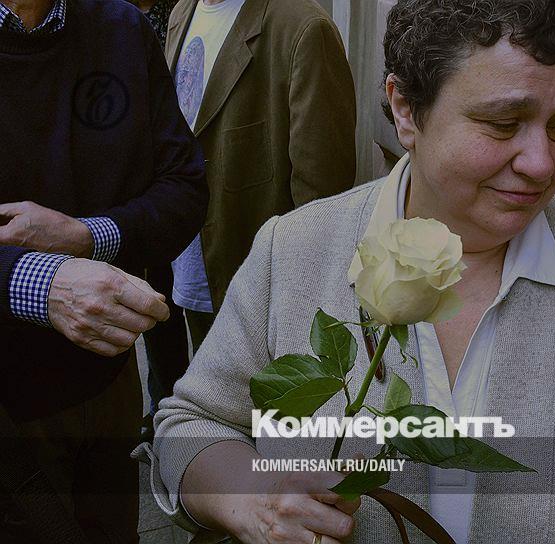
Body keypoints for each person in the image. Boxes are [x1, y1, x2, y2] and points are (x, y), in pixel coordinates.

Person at [146, 1, 555, 543]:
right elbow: (192, 426)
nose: (542, 163)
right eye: (503, 124)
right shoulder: (295, 253)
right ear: (406, 109)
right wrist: (253, 500)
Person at [0, 0, 207, 541]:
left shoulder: (121, 28)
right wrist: (39, 281)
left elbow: (185, 187)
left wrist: (89, 235)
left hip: (107, 387)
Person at [165, 0, 357, 351]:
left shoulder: (304, 28)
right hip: (189, 273)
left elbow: (322, 197)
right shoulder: (182, 11)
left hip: (257, 295)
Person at [128, 0, 191, 444]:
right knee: (158, 312)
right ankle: (161, 409)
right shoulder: (114, 14)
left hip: (180, 191)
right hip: (147, 195)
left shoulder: (175, 10)